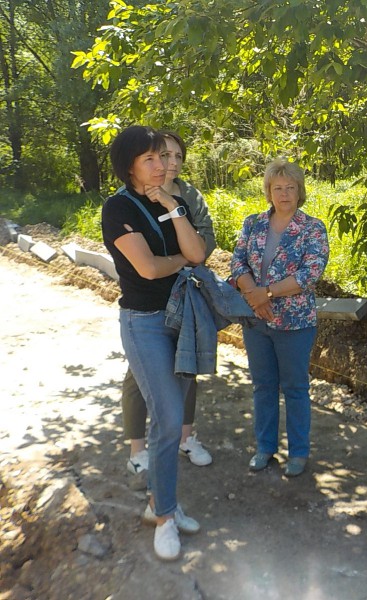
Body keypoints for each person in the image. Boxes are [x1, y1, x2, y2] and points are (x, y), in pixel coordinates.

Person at [102, 125, 207, 561]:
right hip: (144, 323)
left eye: (164, 158)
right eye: (151, 159)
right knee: (166, 417)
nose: (163, 165)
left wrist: (172, 209)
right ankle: (165, 517)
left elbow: (198, 254)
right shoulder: (117, 207)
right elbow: (147, 269)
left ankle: (157, 504)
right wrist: (180, 259)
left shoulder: (175, 202)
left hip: (182, 319)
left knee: (171, 416)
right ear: (130, 168)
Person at [123, 130, 216, 475]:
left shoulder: (189, 195)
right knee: (138, 374)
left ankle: (185, 438)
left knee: (186, 363)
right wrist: (182, 254)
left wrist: (180, 257)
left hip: (187, 291)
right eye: (164, 155)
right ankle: (138, 450)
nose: (171, 163)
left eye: (177, 156)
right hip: (147, 302)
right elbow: (141, 257)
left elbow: (206, 240)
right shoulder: (131, 199)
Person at [230, 159, 329, 478]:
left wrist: (266, 293)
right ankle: (265, 448)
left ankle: (298, 452)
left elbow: (310, 273)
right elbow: (237, 263)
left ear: (299, 191)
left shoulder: (313, 228)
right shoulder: (252, 223)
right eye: (278, 188)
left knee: (296, 387)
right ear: (268, 192)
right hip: (256, 321)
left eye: (290, 188)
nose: (284, 194)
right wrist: (254, 297)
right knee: (263, 386)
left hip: (295, 324)